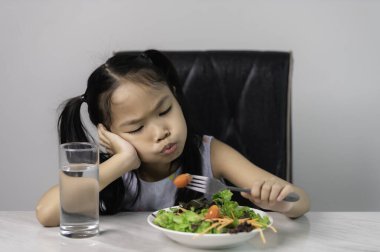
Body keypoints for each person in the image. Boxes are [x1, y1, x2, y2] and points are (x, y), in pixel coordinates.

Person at [35, 49, 310, 227]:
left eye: (164, 110)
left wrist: (279, 202)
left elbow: (301, 201)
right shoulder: (109, 170)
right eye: (135, 128)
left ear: (176, 96)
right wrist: (123, 160)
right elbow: (46, 213)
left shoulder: (209, 153)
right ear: (109, 134)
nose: (160, 132)